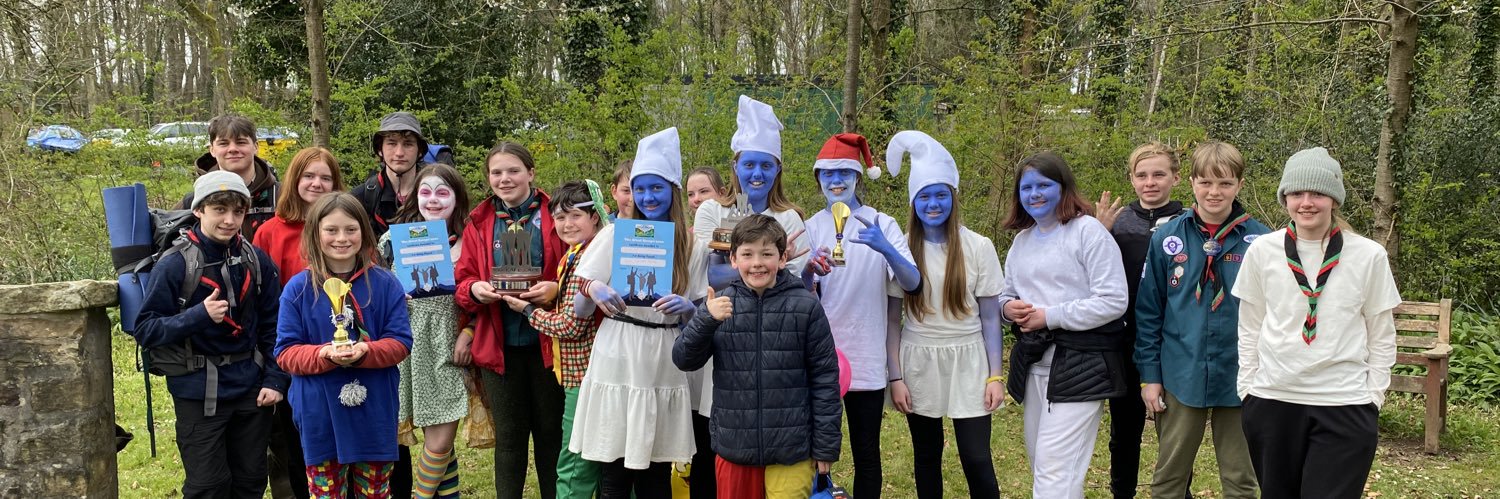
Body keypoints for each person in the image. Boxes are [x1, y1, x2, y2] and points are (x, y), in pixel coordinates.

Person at [1232, 147, 1400, 499]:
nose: (1306, 203)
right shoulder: (1263, 250)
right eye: (1297, 193)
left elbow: (1381, 334)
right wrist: (1247, 389)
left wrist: (1373, 397)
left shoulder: (1369, 255)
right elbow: (1250, 326)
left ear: (1334, 199)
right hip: (1272, 400)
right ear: (1285, 198)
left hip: (1345, 403)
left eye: (1318, 193)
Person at [134, 171, 287, 499]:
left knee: (250, 482)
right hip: (197, 390)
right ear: (199, 211)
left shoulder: (255, 260)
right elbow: (146, 329)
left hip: (251, 388)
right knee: (208, 487)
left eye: (238, 211)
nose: (230, 220)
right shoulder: (175, 265)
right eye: (219, 210)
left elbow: (274, 324)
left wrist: (274, 380)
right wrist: (198, 316)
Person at [573, 127, 704, 498]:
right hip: (620, 349)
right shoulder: (616, 233)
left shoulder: (690, 243)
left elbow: (699, 305)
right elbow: (583, 285)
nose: (647, 197)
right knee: (614, 472)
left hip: (663, 354)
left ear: (672, 192)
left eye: (656, 188)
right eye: (640, 188)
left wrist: (688, 308)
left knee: (657, 471)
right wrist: (593, 287)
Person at [1134, 142, 1269, 498]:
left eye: (1225, 183)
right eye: (1206, 182)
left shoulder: (1262, 242)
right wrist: (1150, 376)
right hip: (1181, 372)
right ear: (1191, 182)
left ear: (1239, 185)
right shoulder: (1167, 238)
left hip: (1242, 376)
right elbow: (1149, 312)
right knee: (1169, 478)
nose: (1214, 192)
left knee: (1242, 479)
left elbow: (1275, 313)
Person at [673, 214, 842, 499]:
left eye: (767, 254)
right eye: (747, 254)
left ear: (782, 257)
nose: (757, 263)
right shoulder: (719, 304)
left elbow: (825, 380)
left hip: (792, 448)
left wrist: (825, 446)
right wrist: (705, 319)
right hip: (735, 445)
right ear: (733, 260)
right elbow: (684, 359)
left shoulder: (806, 307)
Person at [999, 151, 1129, 499]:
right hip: (1035, 365)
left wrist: (1049, 316)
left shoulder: (1087, 232)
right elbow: (1004, 294)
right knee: (1046, 466)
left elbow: (1114, 300)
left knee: (1056, 471)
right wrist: (1008, 308)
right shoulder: (1021, 242)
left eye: (1044, 185)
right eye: (1027, 188)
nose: (1035, 194)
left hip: (1080, 365)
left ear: (1063, 188)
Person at [882, 131, 1004, 498]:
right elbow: (892, 319)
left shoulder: (978, 246)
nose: (932, 204)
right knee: (927, 454)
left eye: (940, 195)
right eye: (924, 196)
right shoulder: (902, 247)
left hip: (969, 357)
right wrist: (896, 377)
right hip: (919, 358)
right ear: (913, 201)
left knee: (976, 456)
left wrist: (995, 375)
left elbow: (989, 317)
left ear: (952, 197)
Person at [800, 133, 919, 499]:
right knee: (818, 453)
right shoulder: (810, 226)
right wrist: (808, 272)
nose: (836, 182)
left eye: (844, 174)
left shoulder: (882, 222)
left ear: (857, 178)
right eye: (828, 175)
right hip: (819, 359)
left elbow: (912, 282)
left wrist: (886, 248)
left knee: (866, 453)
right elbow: (800, 294)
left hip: (866, 359)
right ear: (819, 179)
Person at [274, 192, 413, 498]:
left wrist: (367, 351)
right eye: (331, 230)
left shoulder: (386, 283)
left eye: (351, 229)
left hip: (374, 408)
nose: (342, 238)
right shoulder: (297, 289)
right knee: (326, 493)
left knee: (375, 492)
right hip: (319, 411)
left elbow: (401, 342)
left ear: (364, 232)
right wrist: (323, 354)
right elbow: (285, 353)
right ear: (315, 234)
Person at [454, 142, 569, 499]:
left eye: (513, 171)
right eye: (497, 172)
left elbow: (582, 265)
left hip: (550, 343)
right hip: (499, 345)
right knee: (510, 440)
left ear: (531, 173)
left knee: (551, 437)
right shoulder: (479, 221)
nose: (505, 179)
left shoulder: (558, 214)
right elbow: (463, 278)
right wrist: (476, 290)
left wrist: (556, 288)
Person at [499, 180, 614, 498]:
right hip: (593, 373)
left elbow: (569, 327)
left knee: (575, 461)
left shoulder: (587, 260)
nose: (566, 224)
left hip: (584, 375)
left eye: (574, 216)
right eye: (559, 218)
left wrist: (526, 310)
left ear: (595, 216)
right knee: (607, 461)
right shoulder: (577, 253)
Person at [1090, 142, 1188, 498]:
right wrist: (1098, 233)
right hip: (1124, 343)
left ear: (1175, 178)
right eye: (1142, 175)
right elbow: (1091, 278)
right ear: (1131, 179)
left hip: (1175, 343)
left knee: (1177, 435)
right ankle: (1122, 492)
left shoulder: (1188, 222)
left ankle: (1178, 491)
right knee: (1125, 432)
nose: (1150, 182)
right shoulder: (1117, 222)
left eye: (1159, 174)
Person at [252, 146, 344, 499]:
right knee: (300, 441)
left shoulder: (345, 226)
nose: (317, 184)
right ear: (294, 180)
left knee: (345, 440)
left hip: (345, 349)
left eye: (326, 177)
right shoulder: (271, 232)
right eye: (309, 176)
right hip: (294, 352)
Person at [377, 163, 472, 499]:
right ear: (415, 196)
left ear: (457, 198)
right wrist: (390, 294)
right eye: (426, 192)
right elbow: (369, 293)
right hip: (407, 345)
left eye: (442, 192)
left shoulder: (470, 241)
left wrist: (471, 332)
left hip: (449, 344)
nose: (433, 200)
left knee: (440, 439)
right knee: (440, 448)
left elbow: (484, 298)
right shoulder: (391, 242)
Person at [174, 115, 280, 240]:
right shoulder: (193, 201)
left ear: (256, 147)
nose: (233, 149)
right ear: (212, 150)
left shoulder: (282, 196)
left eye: (241, 142)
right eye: (223, 143)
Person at [353, 111, 430, 238]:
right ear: (380, 149)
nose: (399, 152)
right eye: (392, 143)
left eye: (408, 144)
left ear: (420, 150)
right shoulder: (360, 199)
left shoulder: (440, 197)